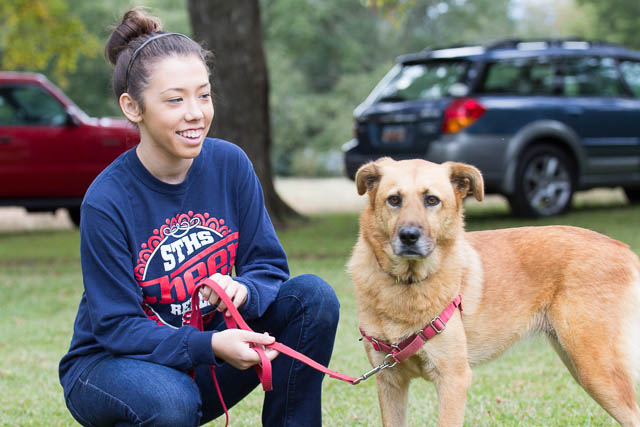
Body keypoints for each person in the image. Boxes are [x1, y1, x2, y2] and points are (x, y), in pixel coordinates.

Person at [59, 8, 340, 426]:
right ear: (132, 107)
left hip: (202, 355)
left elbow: (268, 267)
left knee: (312, 298)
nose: (195, 113)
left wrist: (242, 290)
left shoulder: (230, 164)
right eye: (175, 99)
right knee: (171, 401)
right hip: (110, 368)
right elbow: (117, 327)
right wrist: (211, 346)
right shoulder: (107, 200)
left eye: (203, 95)